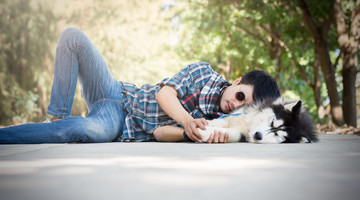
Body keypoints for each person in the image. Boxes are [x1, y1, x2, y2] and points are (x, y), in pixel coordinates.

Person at [0, 28, 280, 144]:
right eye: (241, 95)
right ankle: (56, 117)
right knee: (73, 37)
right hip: (117, 92)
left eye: (245, 106)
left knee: (83, 129)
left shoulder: (223, 121)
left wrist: (193, 135)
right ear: (237, 81)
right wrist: (187, 118)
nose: (236, 103)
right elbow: (164, 93)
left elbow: (159, 133)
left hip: (120, 123)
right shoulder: (202, 72)